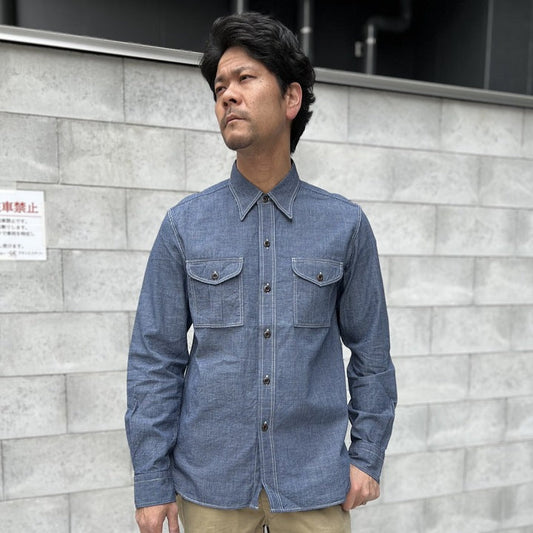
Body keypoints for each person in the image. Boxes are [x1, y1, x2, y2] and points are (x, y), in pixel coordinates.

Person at [126, 11, 397, 533]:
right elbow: (155, 359)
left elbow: (372, 352)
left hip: (315, 484)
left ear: (291, 98)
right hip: (211, 487)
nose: (227, 95)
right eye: (219, 87)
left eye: (245, 78)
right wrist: (151, 478)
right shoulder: (184, 225)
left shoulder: (345, 225)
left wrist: (368, 455)